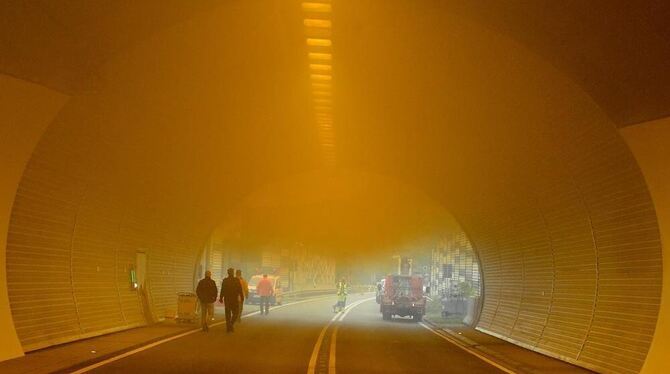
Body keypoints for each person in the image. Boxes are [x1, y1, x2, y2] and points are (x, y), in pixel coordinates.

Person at [219, 268, 244, 332]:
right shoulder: (236, 280)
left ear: (228, 273)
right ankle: (231, 324)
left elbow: (222, 290)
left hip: (227, 299)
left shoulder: (225, 280)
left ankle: (229, 326)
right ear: (233, 272)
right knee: (236, 313)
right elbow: (240, 289)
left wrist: (221, 298)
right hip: (234, 299)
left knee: (227, 314)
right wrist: (242, 297)